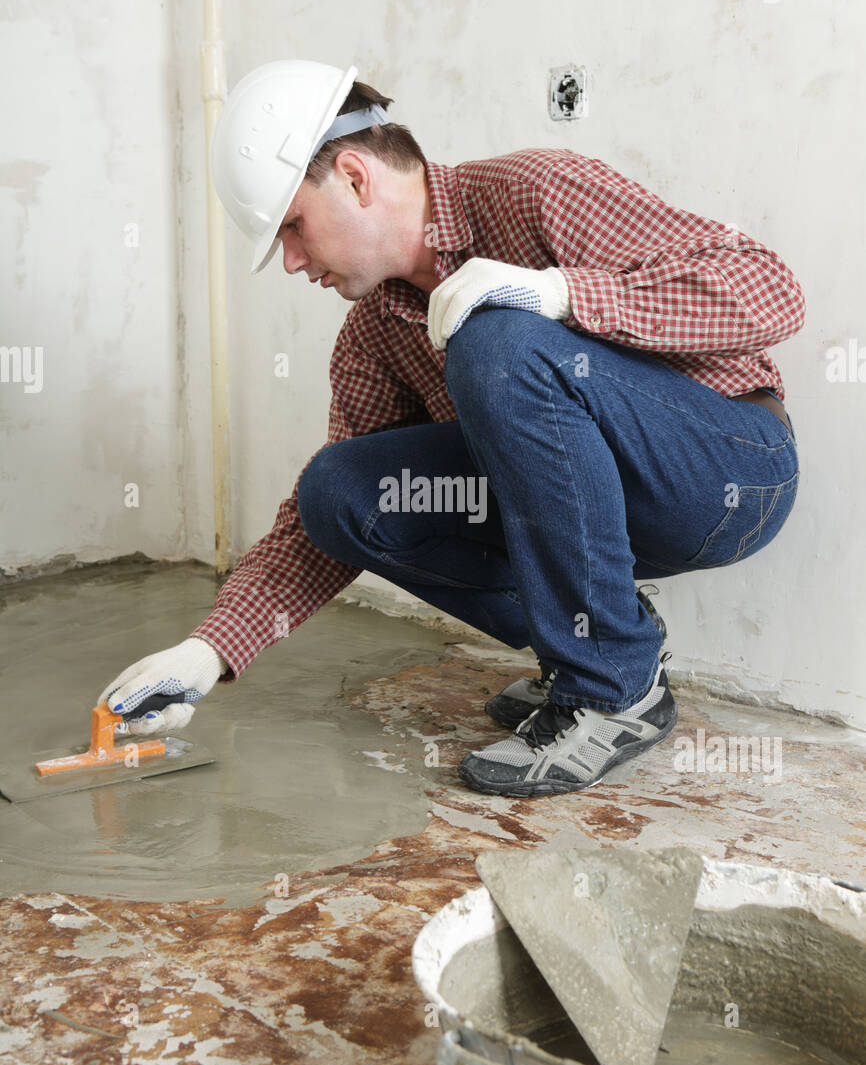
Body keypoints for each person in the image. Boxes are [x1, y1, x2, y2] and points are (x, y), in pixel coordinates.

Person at [100, 59, 803, 798]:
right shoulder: (373, 334)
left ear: (355, 177)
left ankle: (614, 689)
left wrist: (558, 293)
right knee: (339, 491)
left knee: (496, 341)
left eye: (294, 228)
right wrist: (210, 650)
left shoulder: (534, 191)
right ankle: (611, 636)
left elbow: (772, 290)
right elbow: (331, 524)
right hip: (614, 509)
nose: (293, 262)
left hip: (730, 468)